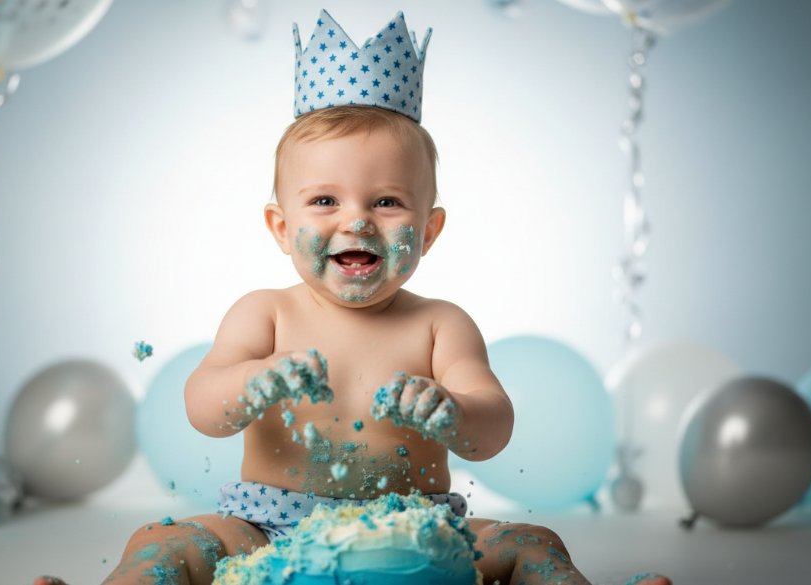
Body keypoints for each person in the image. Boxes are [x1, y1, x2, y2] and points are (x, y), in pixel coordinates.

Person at [36, 10, 670, 585]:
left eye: (387, 202)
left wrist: (453, 411)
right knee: (162, 543)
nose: (357, 222)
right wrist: (253, 381)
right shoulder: (266, 312)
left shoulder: (439, 324)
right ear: (282, 228)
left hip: (419, 529)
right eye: (324, 201)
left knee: (532, 542)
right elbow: (203, 405)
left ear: (429, 230)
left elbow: (493, 425)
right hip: (270, 527)